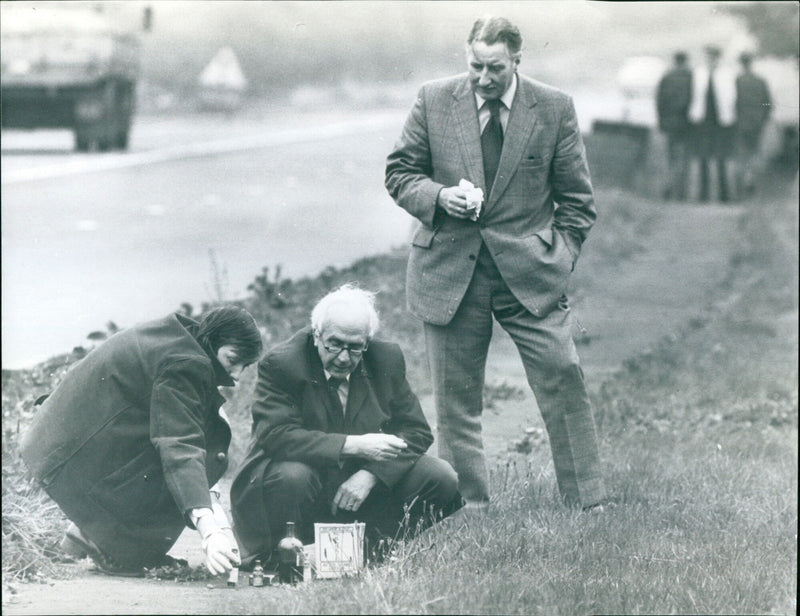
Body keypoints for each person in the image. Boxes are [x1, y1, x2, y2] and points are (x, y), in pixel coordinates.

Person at [384, 16, 605, 512]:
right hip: (449, 271)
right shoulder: (434, 98)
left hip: (530, 272)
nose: (484, 78)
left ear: (517, 60)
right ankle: (468, 505)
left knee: (562, 373)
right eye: (475, 66)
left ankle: (588, 501)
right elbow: (400, 173)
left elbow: (577, 201)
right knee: (456, 397)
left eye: (495, 68)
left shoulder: (553, 107)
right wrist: (440, 198)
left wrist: (559, 256)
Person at [20, 306, 263, 577]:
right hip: (66, 458)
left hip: (54, 444)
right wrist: (210, 532)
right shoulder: (187, 364)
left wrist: (220, 525)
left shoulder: (179, 335)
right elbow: (180, 444)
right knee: (174, 466)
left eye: (246, 365)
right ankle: (114, 548)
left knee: (181, 456)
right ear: (214, 340)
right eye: (233, 359)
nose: (238, 375)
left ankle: (83, 534)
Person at [230, 284, 461, 565]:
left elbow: (416, 431)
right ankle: (278, 555)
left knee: (441, 476)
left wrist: (371, 474)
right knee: (293, 476)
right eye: (335, 344)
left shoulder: (386, 358)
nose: (343, 357)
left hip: (356, 489)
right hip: (298, 483)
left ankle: (370, 551)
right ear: (316, 334)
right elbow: (276, 435)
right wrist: (355, 445)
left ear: (368, 341)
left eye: (355, 348)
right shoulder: (281, 364)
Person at [688, 45, 737, 202]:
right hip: (702, 121)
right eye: (708, 57)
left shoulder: (727, 74)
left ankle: (724, 196)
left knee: (721, 158)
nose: (710, 60)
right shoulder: (698, 74)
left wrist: (730, 117)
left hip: (722, 121)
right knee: (703, 158)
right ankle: (703, 195)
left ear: (718, 58)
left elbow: (733, 97)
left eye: (713, 57)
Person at [656, 51, 693, 200]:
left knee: (670, 156)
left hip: (670, 123)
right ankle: (681, 192)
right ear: (685, 61)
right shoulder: (690, 77)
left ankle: (668, 187)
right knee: (684, 157)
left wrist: (661, 122)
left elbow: (659, 102)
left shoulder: (666, 78)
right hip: (686, 123)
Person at [735, 52, 772, 197]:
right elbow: (767, 102)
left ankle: (745, 180)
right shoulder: (760, 81)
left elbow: (733, 101)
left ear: (741, 63)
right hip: (756, 122)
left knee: (742, 151)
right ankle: (751, 180)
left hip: (740, 122)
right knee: (754, 151)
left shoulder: (737, 80)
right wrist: (762, 117)